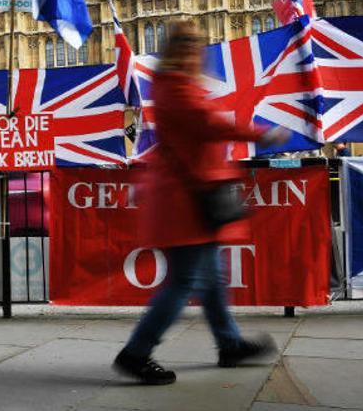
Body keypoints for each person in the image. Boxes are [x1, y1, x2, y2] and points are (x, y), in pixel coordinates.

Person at [113, 21, 289, 385]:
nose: (193, 47)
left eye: (197, 41)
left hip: (192, 198)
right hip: (184, 202)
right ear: (171, 47)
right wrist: (263, 134)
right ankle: (136, 353)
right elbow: (208, 122)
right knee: (184, 281)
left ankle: (230, 344)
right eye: (185, 41)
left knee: (211, 279)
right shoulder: (175, 86)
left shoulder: (182, 84)